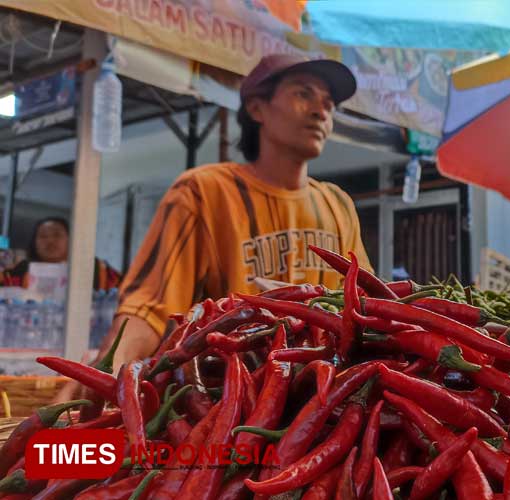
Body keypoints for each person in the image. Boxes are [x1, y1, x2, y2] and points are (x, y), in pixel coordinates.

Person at [55, 53, 371, 402]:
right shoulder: (204, 192)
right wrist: (112, 364)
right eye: (303, 94)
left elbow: (366, 307)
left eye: (328, 103)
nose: (320, 111)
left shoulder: (338, 205)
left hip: (323, 397)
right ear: (257, 109)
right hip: (226, 399)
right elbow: (149, 306)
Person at [0, 217, 121, 290]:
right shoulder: (21, 271)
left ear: (71, 239)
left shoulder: (95, 270)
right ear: (34, 243)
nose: (50, 240)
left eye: (57, 234)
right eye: (43, 236)